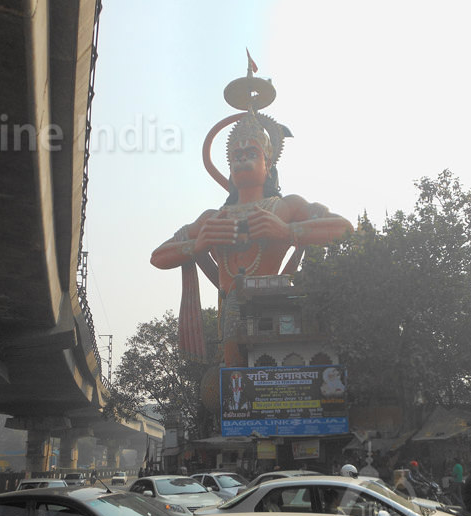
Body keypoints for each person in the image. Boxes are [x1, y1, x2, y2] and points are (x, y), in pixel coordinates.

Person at [150, 57, 353, 367]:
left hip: (275, 312)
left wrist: (288, 232)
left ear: (267, 164)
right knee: (227, 386)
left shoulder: (286, 207)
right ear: (229, 168)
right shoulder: (213, 219)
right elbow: (158, 256)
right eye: (237, 156)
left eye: (251, 154)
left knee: (277, 374)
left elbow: (344, 229)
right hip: (228, 316)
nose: (243, 160)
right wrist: (198, 244)